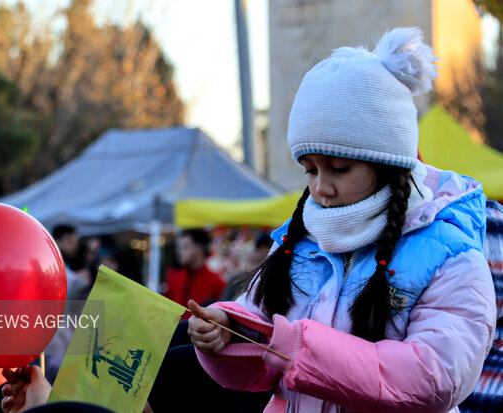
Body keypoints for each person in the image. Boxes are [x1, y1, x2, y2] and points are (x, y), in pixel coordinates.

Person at [187, 27, 497, 412]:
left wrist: (298, 348)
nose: (321, 188)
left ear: (390, 164)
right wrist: (228, 331)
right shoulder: (297, 242)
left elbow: (435, 378)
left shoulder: (450, 255)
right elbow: (259, 355)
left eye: (338, 167)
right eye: (310, 170)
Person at [163, 229, 226, 313]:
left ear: (199, 248)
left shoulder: (217, 282)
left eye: (185, 247)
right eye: (179, 247)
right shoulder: (173, 277)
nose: (180, 252)